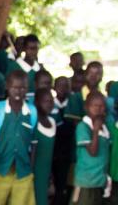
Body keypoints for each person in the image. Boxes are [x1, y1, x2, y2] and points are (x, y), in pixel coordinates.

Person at [0, 70, 37, 205]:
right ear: (7, 87)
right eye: (15, 87)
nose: (19, 91)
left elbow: (34, 142)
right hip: (0, 168)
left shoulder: (32, 111)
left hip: (23, 170)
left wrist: (30, 165)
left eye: (23, 87)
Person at [72, 92, 112, 205]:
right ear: (87, 107)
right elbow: (93, 152)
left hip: (100, 180)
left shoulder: (105, 127)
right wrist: (95, 130)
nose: (99, 109)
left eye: (102, 106)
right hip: (86, 182)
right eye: (95, 105)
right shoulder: (83, 127)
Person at [51, 76, 74, 205]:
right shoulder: (50, 104)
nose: (63, 89)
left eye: (66, 86)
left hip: (68, 152)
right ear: (54, 87)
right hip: (53, 151)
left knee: (65, 183)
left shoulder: (73, 103)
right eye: (60, 85)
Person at [32, 88, 56, 205]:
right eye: (46, 101)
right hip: (33, 171)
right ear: (36, 102)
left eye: (51, 101)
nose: (50, 104)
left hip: (46, 172)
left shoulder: (52, 122)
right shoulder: (33, 122)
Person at [6, 34, 43, 100]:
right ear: (24, 48)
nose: (33, 52)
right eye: (31, 49)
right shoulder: (14, 66)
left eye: (36, 48)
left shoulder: (40, 68)